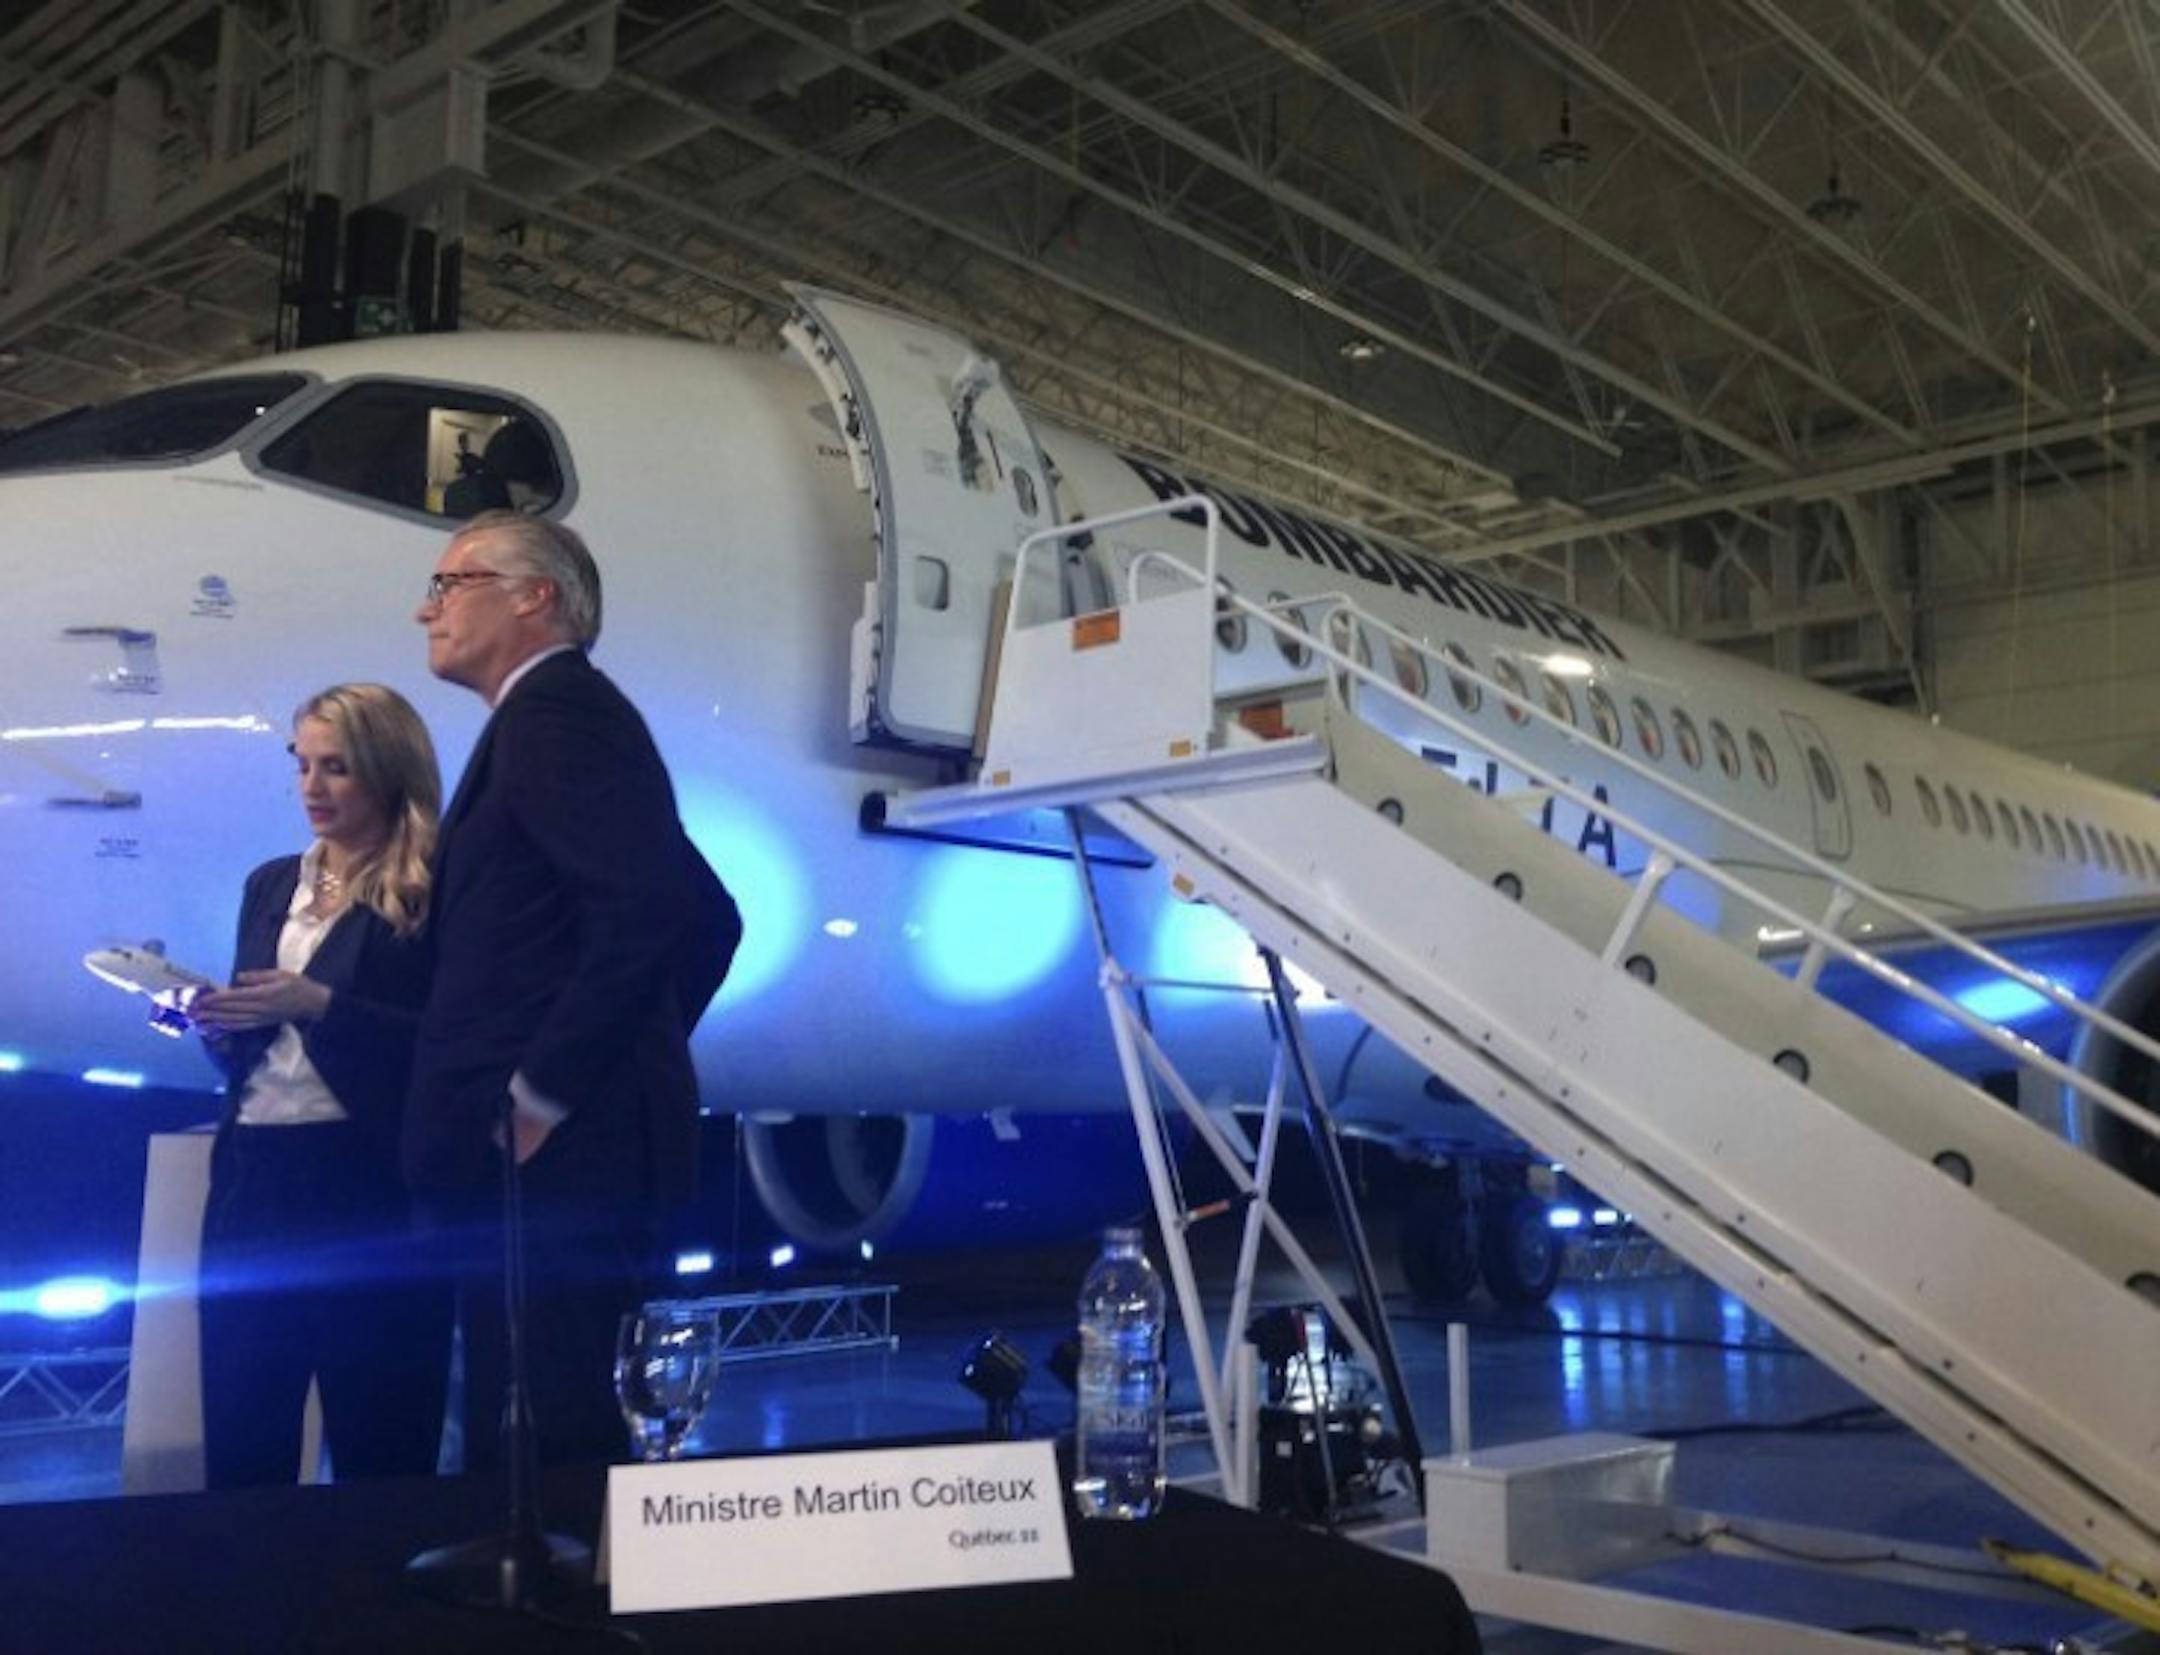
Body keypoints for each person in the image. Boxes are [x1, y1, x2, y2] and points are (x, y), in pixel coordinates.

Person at [409, 508, 739, 1467]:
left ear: (535, 598)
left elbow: (659, 912)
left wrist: (551, 1087)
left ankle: (557, 1603)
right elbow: (704, 912)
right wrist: (633, 1052)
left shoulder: (557, 714)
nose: (424, 608)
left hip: (561, 1166)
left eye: (450, 582)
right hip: (555, 1165)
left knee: (559, 1432)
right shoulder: (548, 717)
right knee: (538, 1421)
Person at [190, 684, 451, 1488]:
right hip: (251, 1180)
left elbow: (450, 1045)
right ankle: (255, 1607)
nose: (312, 787)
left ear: (386, 769)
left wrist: (322, 1005)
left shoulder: (436, 887)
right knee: (242, 1433)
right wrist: (219, 1026)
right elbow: (262, 1051)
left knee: (380, 1437)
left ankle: (375, 1609)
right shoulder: (271, 884)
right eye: (302, 764)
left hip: (369, 1182)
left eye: (335, 767)